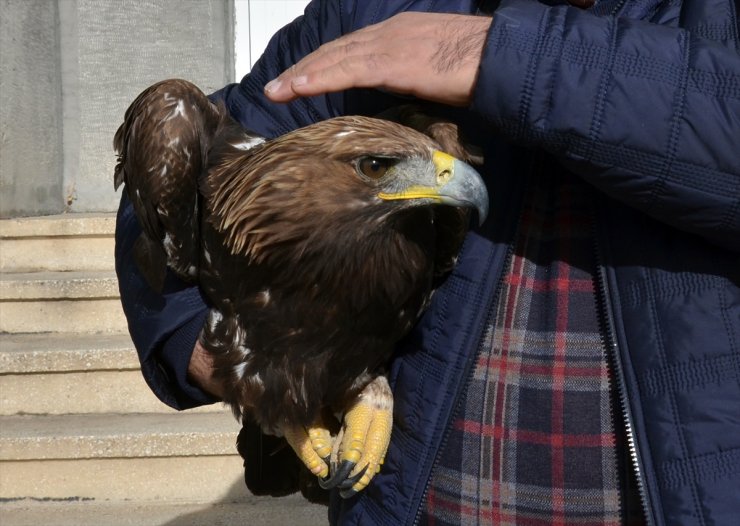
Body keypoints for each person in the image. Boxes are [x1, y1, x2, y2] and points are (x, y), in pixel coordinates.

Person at [115, 1, 740, 524]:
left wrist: (515, 60)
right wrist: (243, 359)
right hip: (418, 505)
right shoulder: (378, 7)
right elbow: (183, 191)